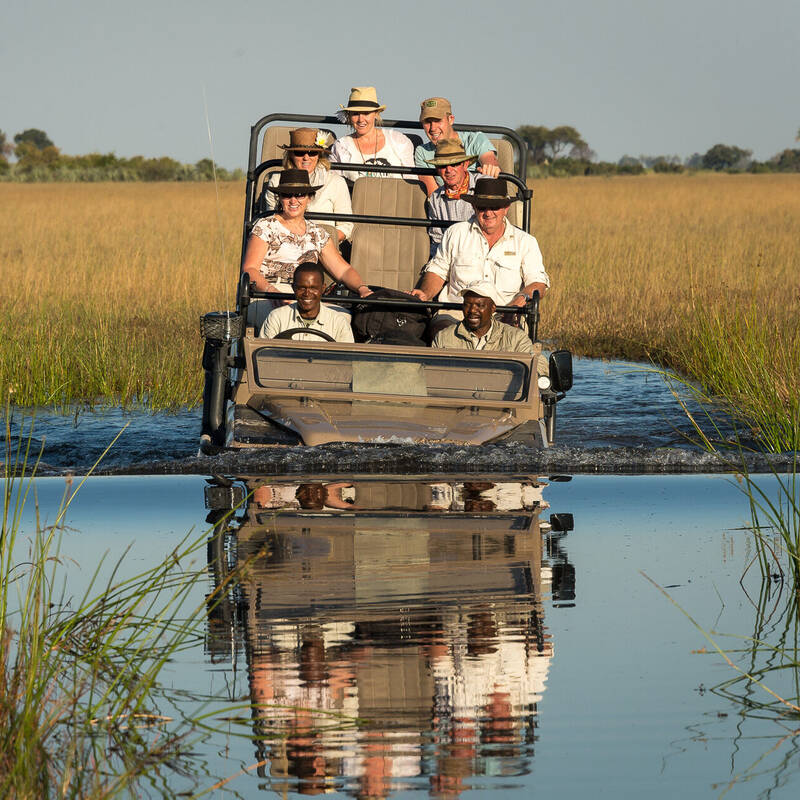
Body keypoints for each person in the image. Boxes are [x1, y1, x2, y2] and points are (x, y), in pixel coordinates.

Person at [411, 178, 549, 330]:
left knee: (515, 337)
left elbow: (538, 284)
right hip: (457, 313)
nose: (488, 213)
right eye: (482, 207)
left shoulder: (526, 241)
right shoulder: (455, 233)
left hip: (504, 314)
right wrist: (425, 293)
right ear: (474, 206)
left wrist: (519, 302)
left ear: (506, 208)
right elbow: (437, 271)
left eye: (495, 207)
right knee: (442, 329)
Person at [242, 169, 371, 329]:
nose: (293, 200)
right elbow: (250, 268)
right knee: (288, 317)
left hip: (307, 292)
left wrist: (362, 288)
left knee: (341, 318)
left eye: (300, 194)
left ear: (309, 198)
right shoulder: (265, 226)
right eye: (287, 195)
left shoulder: (317, 233)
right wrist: (273, 292)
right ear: (280, 198)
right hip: (268, 292)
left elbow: (343, 270)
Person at [264, 127, 353, 244]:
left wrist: (321, 243)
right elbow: (272, 220)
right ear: (291, 155)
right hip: (284, 244)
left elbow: (346, 226)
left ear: (319, 155)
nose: (306, 157)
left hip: (324, 245)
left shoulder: (335, 182)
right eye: (300, 152)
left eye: (312, 152)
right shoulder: (276, 181)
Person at [415, 97, 501, 196]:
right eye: (427, 122)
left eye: (438, 121)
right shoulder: (422, 152)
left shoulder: (475, 139)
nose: (433, 128)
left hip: (479, 202)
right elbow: (434, 195)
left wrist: (491, 168)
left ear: (451, 119)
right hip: (446, 204)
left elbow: (490, 162)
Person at [330, 87, 414, 180]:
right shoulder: (341, 146)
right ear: (349, 116)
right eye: (355, 114)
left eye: (366, 113)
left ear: (376, 114)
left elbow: (411, 181)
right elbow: (334, 184)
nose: (360, 119)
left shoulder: (398, 140)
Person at [425, 138, 488, 257]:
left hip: (483, 254)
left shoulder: (485, 184)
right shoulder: (435, 198)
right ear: (437, 169)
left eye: (454, 164)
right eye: (443, 165)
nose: (448, 170)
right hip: (450, 257)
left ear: (465, 164)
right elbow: (437, 240)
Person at [262, 262, 355, 342]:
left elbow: (346, 360)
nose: (307, 293)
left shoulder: (339, 322)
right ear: (293, 288)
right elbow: (263, 358)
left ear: (323, 289)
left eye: (313, 288)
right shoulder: (276, 318)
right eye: (302, 288)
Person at [432, 282, 535, 354]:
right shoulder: (444, 337)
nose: (472, 310)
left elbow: (536, 368)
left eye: (480, 305)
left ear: (493, 308)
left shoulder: (516, 338)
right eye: (467, 304)